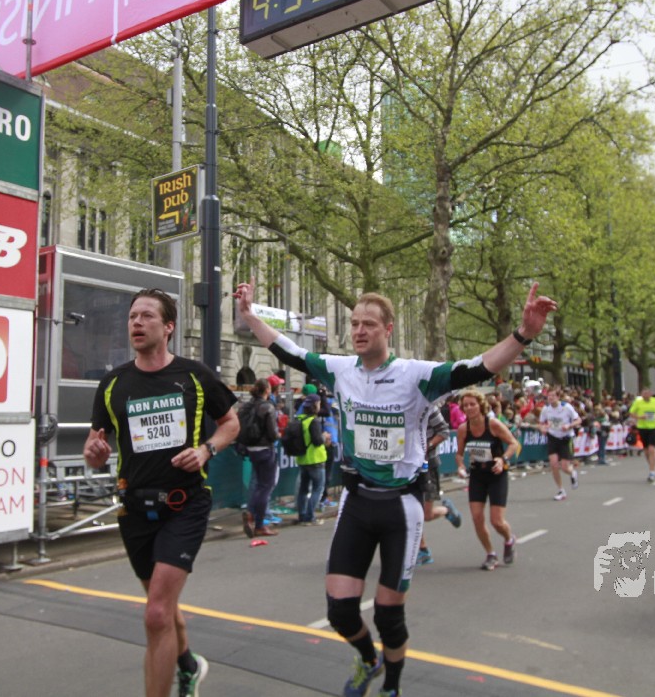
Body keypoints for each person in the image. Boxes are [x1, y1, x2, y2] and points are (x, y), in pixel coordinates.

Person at [236, 278, 556, 697]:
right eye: (354, 323)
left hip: (401, 506)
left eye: (368, 324)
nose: (359, 331)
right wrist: (249, 316)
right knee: (340, 612)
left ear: (388, 329)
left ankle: (392, 686)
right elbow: (288, 351)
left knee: (388, 615)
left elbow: (478, 367)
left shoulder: (415, 375)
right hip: (356, 500)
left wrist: (524, 334)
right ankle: (368, 659)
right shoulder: (339, 370)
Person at [83, 288, 238, 697]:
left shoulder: (194, 376)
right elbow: (94, 447)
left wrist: (206, 450)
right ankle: (188, 666)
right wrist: (94, 454)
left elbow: (231, 423)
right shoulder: (113, 383)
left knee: (155, 612)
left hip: (184, 504)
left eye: (147, 316)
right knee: (163, 607)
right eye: (132, 316)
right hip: (134, 509)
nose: (136, 322)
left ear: (168, 327)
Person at [454, 388, 521, 570]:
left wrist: (502, 459)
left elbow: (513, 443)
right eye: (465, 405)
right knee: (477, 518)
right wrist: (460, 466)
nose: (469, 408)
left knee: (496, 521)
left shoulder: (493, 424)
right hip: (477, 475)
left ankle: (509, 539)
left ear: (480, 405)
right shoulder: (463, 429)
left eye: (472, 404)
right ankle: (491, 554)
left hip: (496, 474)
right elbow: (459, 454)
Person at [415, 406, 462, 566]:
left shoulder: (428, 407)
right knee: (412, 511)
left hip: (428, 464)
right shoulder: (400, 406)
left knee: (426, 515)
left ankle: (446, 510)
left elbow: (444, 431)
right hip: (408, 466)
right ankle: (423, 550)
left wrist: (426, 446)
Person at [240, 379, 281, 538]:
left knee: (258, 485)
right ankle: (259, 524)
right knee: (265, 487)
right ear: (267, 390)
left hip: (251, 449)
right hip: (265, 449)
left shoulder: (247, 406)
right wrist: (278, 434)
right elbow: (272, 433)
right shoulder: (267, 407)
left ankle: (251, 515)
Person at [538, 388, 580, 500]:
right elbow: (541, 423)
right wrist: (543, 429)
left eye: (553, 395)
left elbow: (578, 420)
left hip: (566, 438)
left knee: (565, 467)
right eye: (549, 396)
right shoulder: (546, 409)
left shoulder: (566, 407)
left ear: (558, 397)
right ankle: (561, 490)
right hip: (553, 437)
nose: (550, 398)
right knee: (554, 464)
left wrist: (569, 426)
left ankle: (572, 473)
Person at [294, 393, 330, 525]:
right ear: (315, 405)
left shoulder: (300, 419)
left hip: (303, 460)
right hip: (315, 459)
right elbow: (317, 441)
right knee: (317, 488)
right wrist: (324, 436)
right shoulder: (313, 421)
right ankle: (310, 517)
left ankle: (302, 515)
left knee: (303, 489)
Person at [629, 387, 655, 482]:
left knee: (651, 449)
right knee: (646, 451)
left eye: (647, 393)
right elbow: (631, 413)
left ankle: (652, 471)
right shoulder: (638, 402)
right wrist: (639, 417)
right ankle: (652, 467)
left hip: (654, 426)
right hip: (643, 427)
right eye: (644, 394)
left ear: (651, 394)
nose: (646, 395)